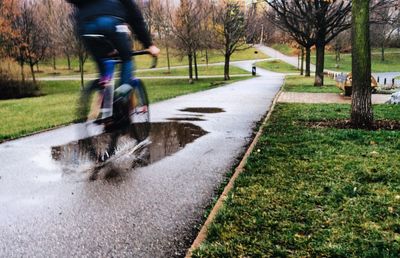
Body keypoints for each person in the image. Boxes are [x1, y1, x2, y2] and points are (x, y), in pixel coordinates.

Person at [66, 0, 160, 119]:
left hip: (85, 26)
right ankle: (121, 101)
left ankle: (105, 105)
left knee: (105, 68)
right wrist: (149, 45)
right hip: (111, 22)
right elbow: (136, 20)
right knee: (127, 60)